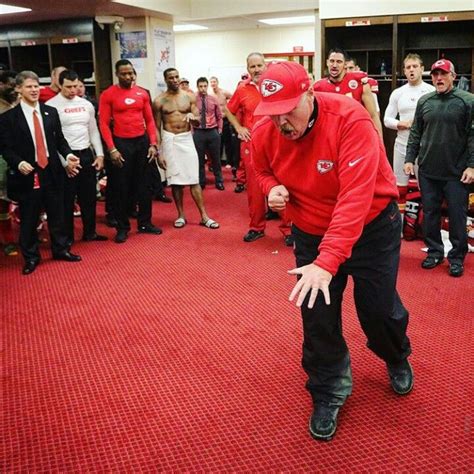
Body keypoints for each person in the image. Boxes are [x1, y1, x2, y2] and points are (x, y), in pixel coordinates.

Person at [252, 61, 413, 441]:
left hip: (372, 227)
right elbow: (260, 169)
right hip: (311, 229)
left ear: (310, 93)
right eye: (272, 114)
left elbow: (354, 200)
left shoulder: (350, 119)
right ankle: (327, 390)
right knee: (318, 317)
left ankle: (395, 354)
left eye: (289, 110)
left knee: (377, 309)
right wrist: (270, 187)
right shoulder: (265, 130)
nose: (281, 122)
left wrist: (328, 261)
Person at [0, 70, 82, 275]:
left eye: (36, 86)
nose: (34, 90)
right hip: (28, 173)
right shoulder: (9, 118)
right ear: (19, 89)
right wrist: (18, 163)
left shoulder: (50, 112)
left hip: (52, 170)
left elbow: (59, 140)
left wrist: (69, 155)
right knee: (29, 216)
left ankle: (61, 249)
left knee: (58, 212)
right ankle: (31, 257)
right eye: (29, 86)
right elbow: (5, 148)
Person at [405, 59, 474, 277]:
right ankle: (434, 252)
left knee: (457, 215)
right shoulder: (425, 101)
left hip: (456, 172)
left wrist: (472, 166)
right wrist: (409, 158)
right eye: (435, 74)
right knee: (431, 214)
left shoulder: (468, 101)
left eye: (443, 74)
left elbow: (473, 136)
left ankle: (456, 257)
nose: (439, 78)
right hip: (428, 170)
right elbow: (416, 132)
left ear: (453, 76)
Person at [225, 52, 292, 245]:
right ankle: (256, 227)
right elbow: (229, 110)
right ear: (247, 69)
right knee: (254, 188)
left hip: (277, 142)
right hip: (252, 143)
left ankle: (289, 229)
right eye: (252, 67)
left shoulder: (275, 86)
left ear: (266, 66)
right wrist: (239, 127)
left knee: (281, 184)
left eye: (259, 66)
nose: (256, 70)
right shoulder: (242, 89)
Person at [99, 59, 162, 243]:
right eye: (124, 73)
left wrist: (153, 144)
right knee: (121, 188)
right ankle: (122, 227)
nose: (128, 76)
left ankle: (145, 222)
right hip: (121, 143)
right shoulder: (108, 94)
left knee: (144, 185)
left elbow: (150, 121)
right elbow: (103, 123)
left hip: (141, 142)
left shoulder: (142, 94)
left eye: (131, 73)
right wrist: (111, 149)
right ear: (117, 74)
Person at [153, 67, 219, 230]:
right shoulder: (159, 101)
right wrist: (159, 152)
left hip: (186, 138)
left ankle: (204, 216)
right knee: (175, 181)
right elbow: (156, 127)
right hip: (170, 139)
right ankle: (181, 215)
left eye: (177, 77)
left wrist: (193, 118)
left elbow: (198, 119)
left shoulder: (189, 97)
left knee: (193, 178)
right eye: (171, 78)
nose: (175, 80)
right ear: (166, 80)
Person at [46, 69, 107, 244]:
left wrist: (100, 154)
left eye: (75, 86)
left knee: (88, 197)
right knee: (66, 200)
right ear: (60, 85)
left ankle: (90, 232)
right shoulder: (51, 105)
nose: (73, 90)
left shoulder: (86, 104)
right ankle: (67, 237)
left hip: (85, 154)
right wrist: (64, 162)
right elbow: (53, 138)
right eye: (69, 87)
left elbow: (93, 131)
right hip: (65, 158)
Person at [384, 54, 435, 220]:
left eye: (414, 66)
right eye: (408, 67)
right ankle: (398, 226)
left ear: (422, 68)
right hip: (402, 145)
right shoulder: (398, 93)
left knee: (427, 187)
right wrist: (401, 124)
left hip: (425, 147)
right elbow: (387, 119)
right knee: (399, 187)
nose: (411, 70)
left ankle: (424, 225)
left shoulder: (431, 91)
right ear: (404, 71)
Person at [314, 49, 383, 136]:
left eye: (339, 62)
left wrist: (380, 144)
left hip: (355, 134)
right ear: (327, 63)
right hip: (330, 135)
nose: (334, 65)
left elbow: (373, 115)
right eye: (332, 61)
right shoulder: (318, 87)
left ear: (345, 64)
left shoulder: (360, 82)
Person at [0, 70, 19, 257]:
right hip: (1, 158)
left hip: (16, 157)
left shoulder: (17, 104)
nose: (14, 89)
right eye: (10, 85)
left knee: (13, 198)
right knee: (1, 202)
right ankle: (7, 240)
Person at [193, 77, 224, 190]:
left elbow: (219, 116)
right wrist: (192, 132)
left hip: (212, 131)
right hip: (199, 131)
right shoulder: (193, 99)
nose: (203, 89)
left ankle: (219, 181)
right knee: (199, 160)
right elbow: (190, 116)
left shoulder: (213, 99)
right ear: (197, 87)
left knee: (216, 159)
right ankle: (201, 182)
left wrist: (219, 130)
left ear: (207, 86)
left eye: (205, 86)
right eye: (200, 86)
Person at [209, 76, 236, 172]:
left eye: (214, 82)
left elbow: (235, 99)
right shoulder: (211, 95)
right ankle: (218, 162)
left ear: (217, 82)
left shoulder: (224, 92)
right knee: (217, 143)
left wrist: (229, 110)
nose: (213, 84)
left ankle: (229, 162)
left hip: (225, 120)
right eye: (211, 82)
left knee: (227, 142)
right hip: (215, 122)